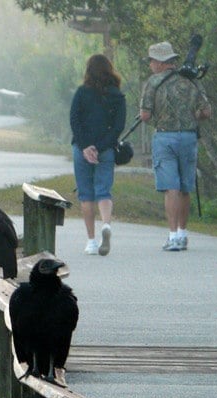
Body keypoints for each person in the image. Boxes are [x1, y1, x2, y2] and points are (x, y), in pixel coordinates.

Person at [140, 41, 212, 251]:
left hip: (165, 138)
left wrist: (158, 119)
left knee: (170, 187)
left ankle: (172, 236)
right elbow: (206, 112)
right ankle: (182, 233)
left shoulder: (153, 83)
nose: (151, 65)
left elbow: (145, 115)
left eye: (152, 60)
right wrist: (191, 116)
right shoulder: (192, 81)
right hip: (188, 138)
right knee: (185, 186)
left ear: (161, 62)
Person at [69, 54, 126, 256]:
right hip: (106, 150)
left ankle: (91, 241)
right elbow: (118, 126)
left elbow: (74, 121)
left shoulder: (82, 93)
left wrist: (86, 147)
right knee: (104, 191)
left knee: (86, 194)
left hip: (81, 149)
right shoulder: (117, 96)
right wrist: (101, 147)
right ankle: (107, 225)